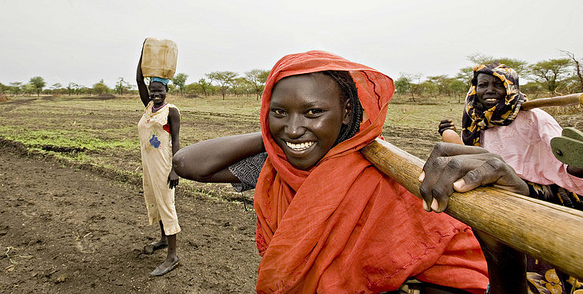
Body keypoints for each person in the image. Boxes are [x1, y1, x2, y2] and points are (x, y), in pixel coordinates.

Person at [173, 50, 528, 293]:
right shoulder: (276, 167)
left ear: (346, 112)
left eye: (313, 112)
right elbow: (189, 164)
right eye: (279, 110)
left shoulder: (387, 181)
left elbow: (458, 275)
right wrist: (274, 132)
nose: (294, 129)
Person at [436, 62, 583, 293]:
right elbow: (469, 153)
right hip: (498, 196)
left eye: (498, 84)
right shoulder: (478, 119)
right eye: (483, 85)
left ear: (511, 87)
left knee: (550, 270)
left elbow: (561, 162)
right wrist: (447, 132)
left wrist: (575, 169)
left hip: (540, 197)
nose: (489, 90)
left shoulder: (535, 118)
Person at [136, 46, 181, 277]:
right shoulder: (148, 106)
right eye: (153, 90)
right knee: (154, 198)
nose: (155, 94)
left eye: (160, 90)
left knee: (166, 204)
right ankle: (163, 239)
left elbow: (176, 141)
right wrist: (143, 54)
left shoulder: (170, 111)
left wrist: (175, 169)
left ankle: (172, 256)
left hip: (164, 165)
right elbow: (138, 80)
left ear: (167, 90)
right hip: (148, 164)